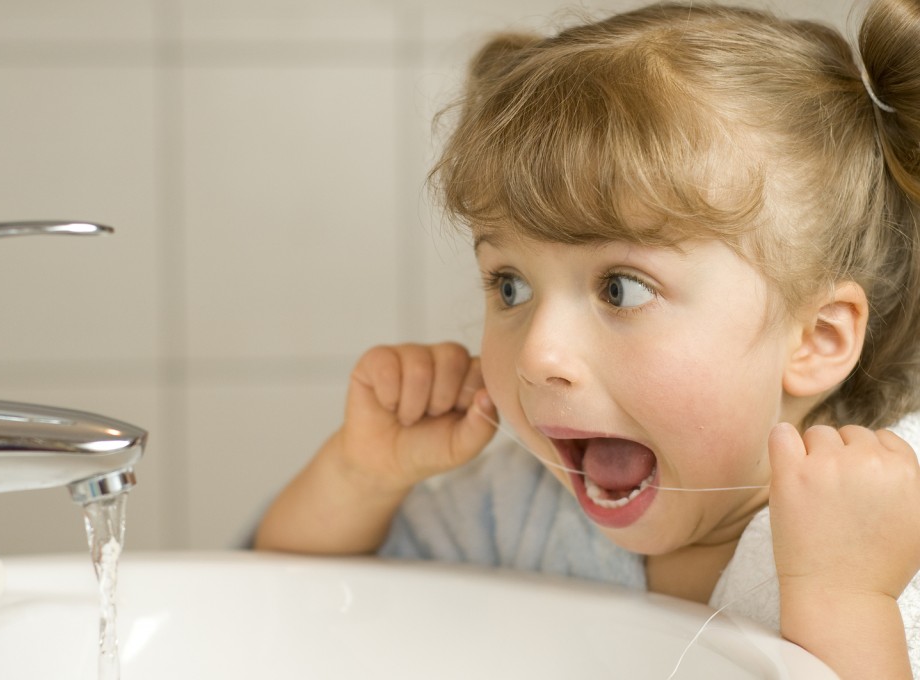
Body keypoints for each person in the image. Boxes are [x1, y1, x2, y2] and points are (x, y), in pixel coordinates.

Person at [253, 2, 920, 677]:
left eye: (621, 290)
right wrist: (362, 477)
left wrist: (849, 601)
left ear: (817, 339)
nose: (539, 354)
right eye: (510, 285)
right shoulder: (521, 509)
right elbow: (274, 616)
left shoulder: (888, 529)